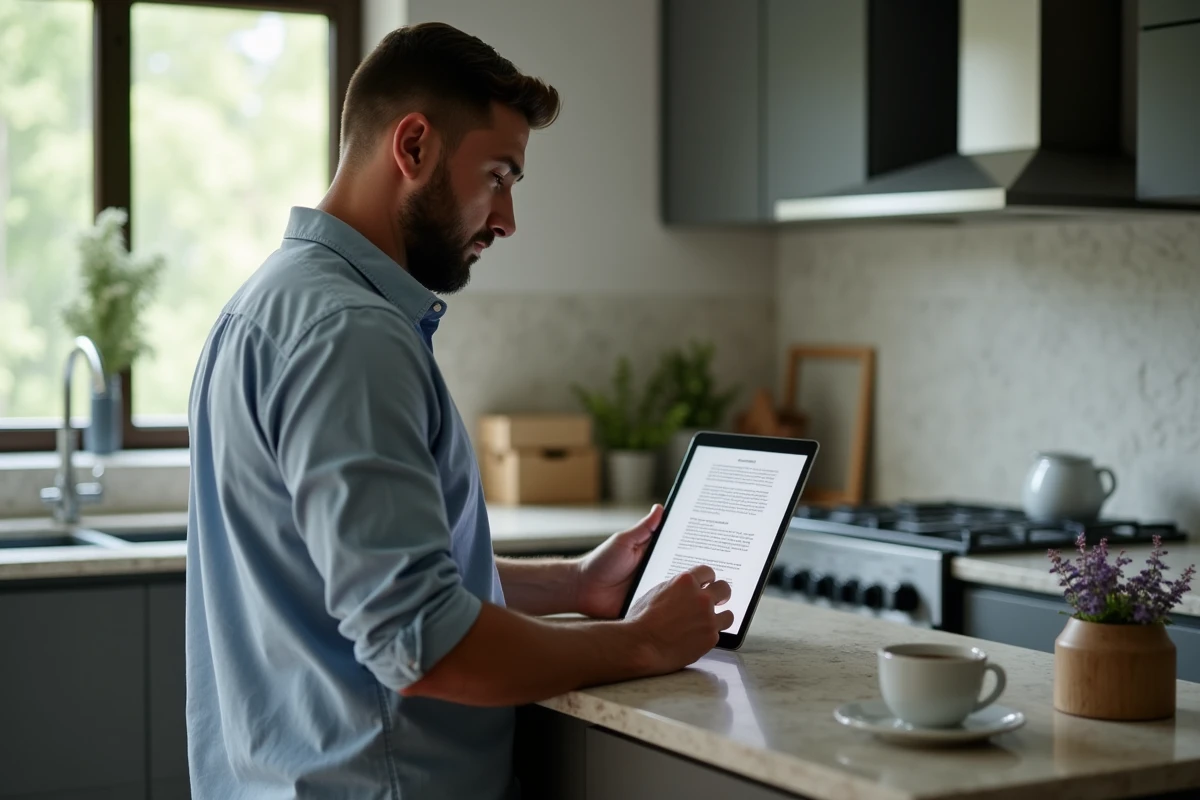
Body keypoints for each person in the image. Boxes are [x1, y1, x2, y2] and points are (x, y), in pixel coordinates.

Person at [185, 21, 732, 800]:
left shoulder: (269, 303)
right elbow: (422, 643)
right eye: (499, 176)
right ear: (413, 148)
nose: (506, 219)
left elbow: (361, 569)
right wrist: (639, 644)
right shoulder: (353, 335)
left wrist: (572, 584)